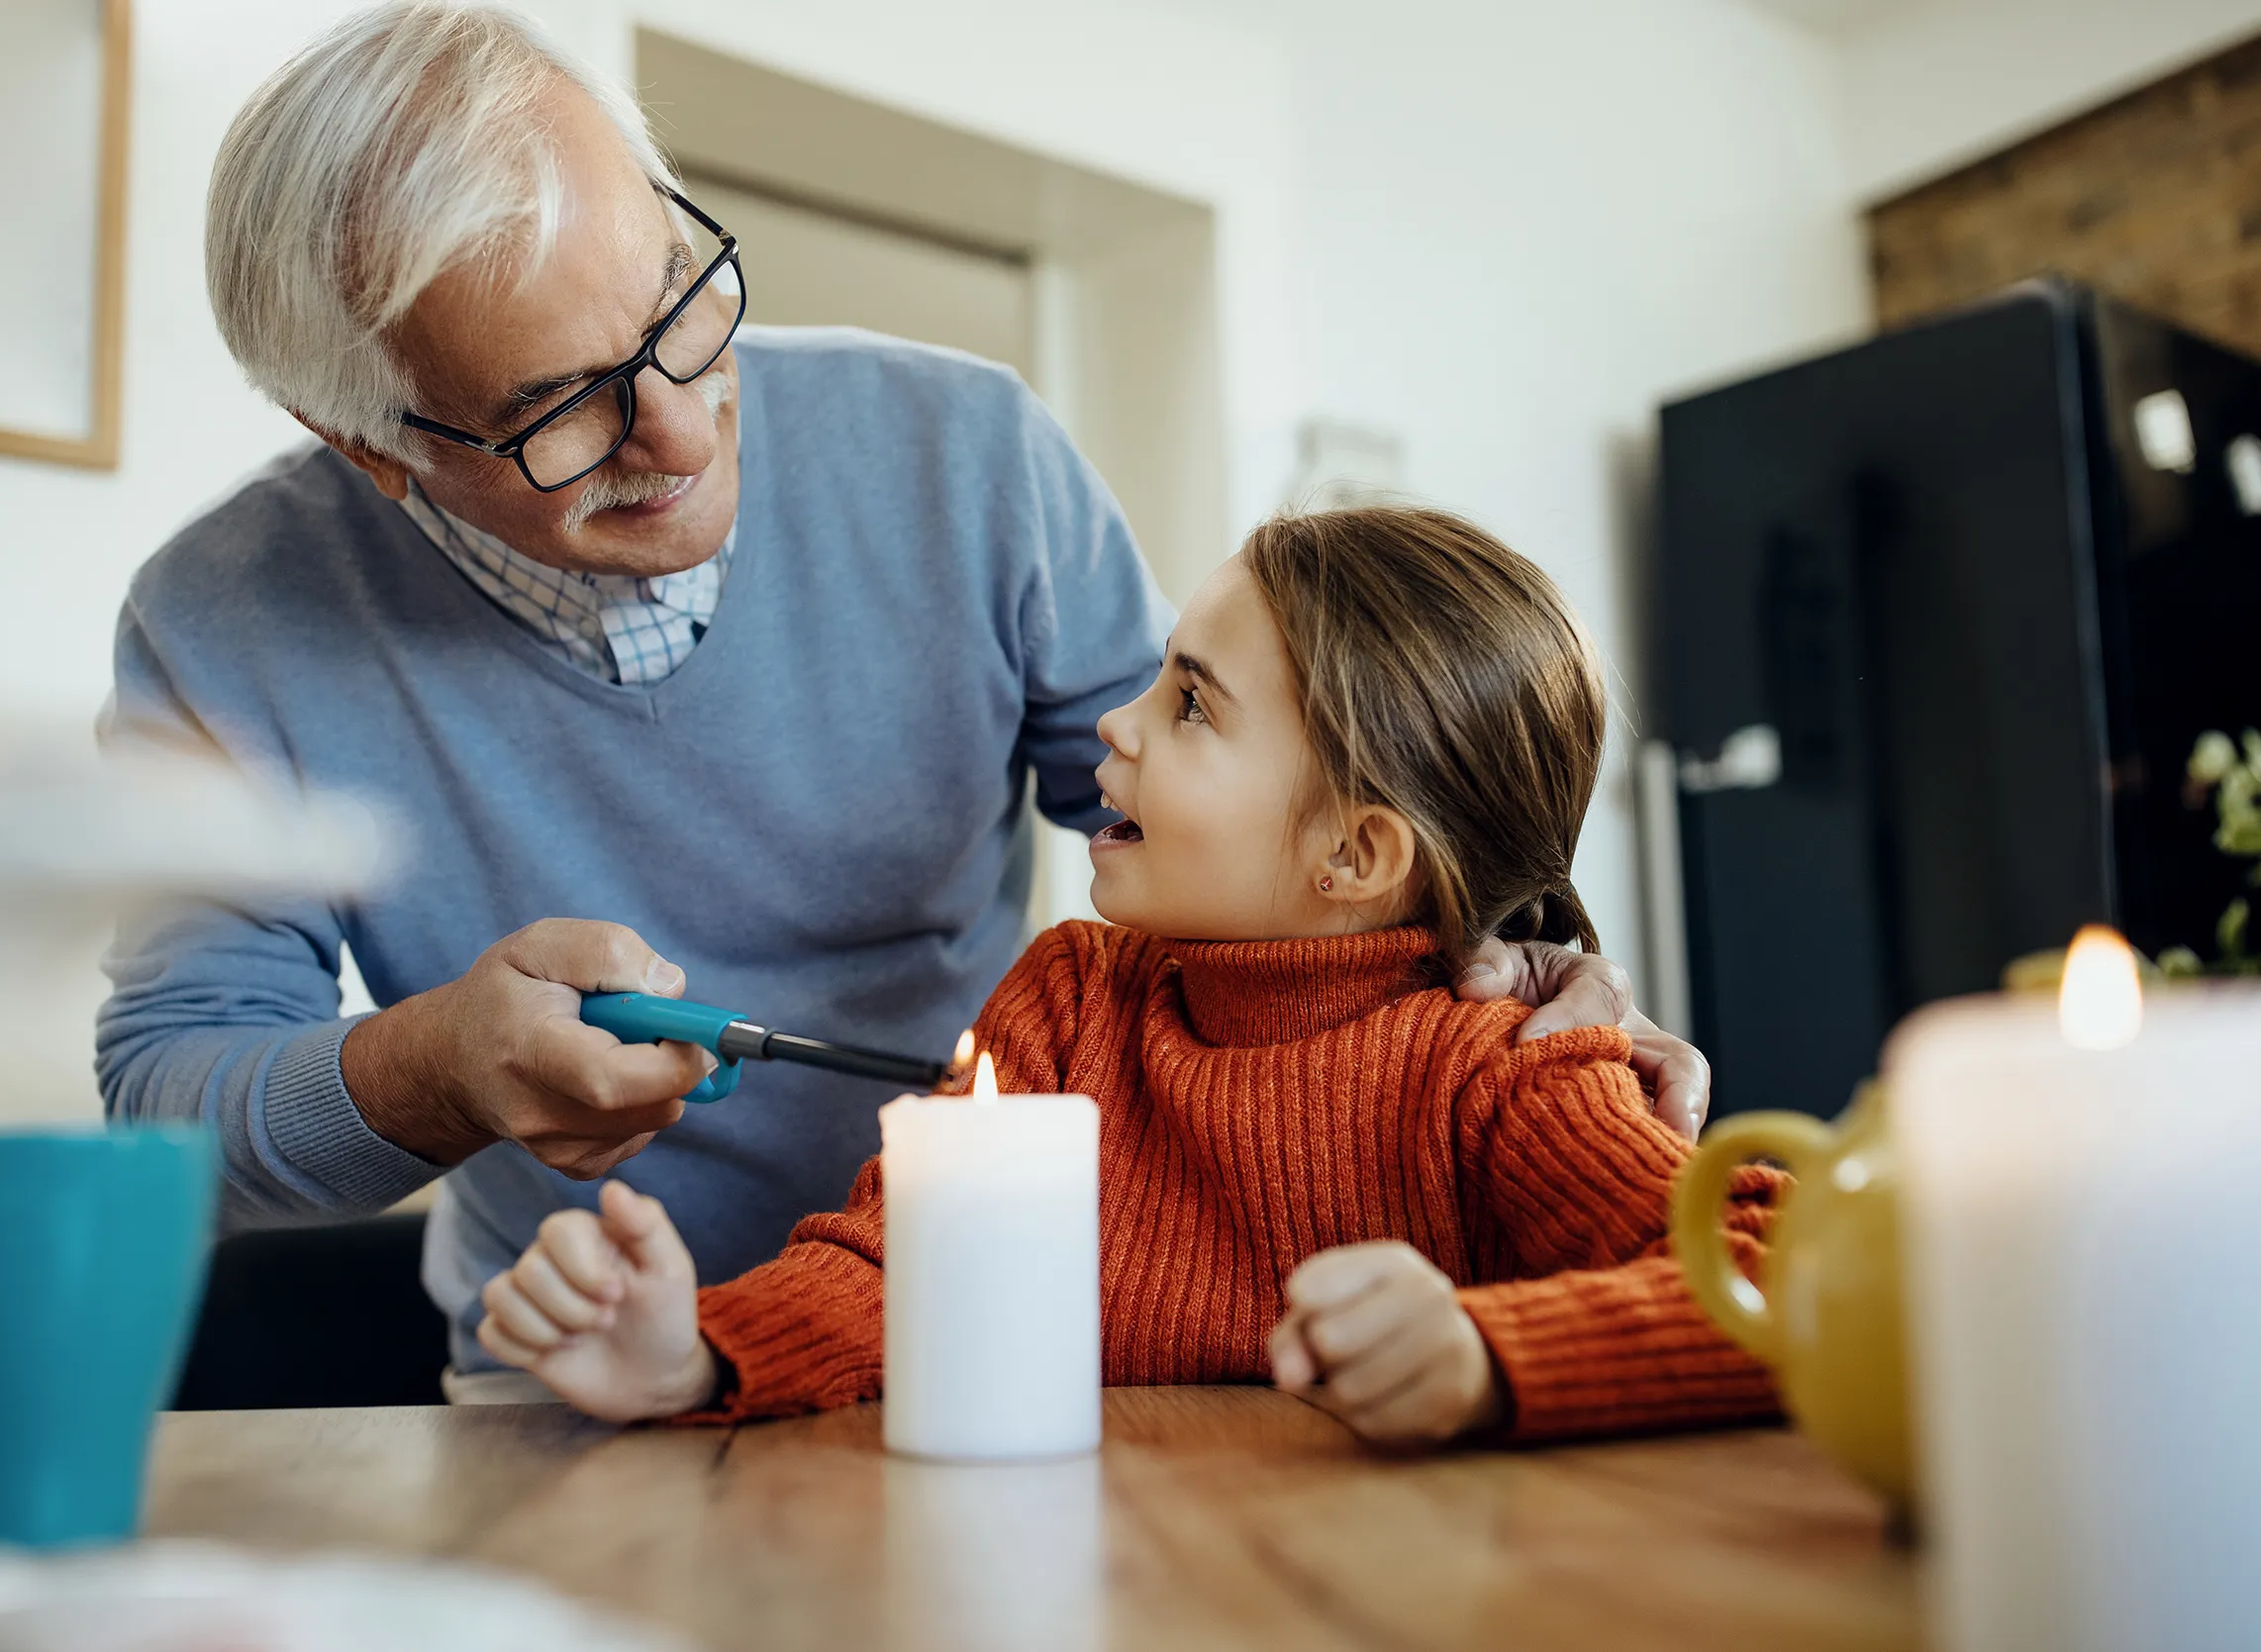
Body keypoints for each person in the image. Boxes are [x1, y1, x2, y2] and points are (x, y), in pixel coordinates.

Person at [99, 0, 1706, 1386]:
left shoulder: (977, 456)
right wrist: (436, 1065)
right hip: (576, 1373)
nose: (680, 425)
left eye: (677, 298)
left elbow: (1298, 842)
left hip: (967, 1341)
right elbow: (170, 1112)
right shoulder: (219, 628)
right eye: (560, 414)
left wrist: (1527, 964)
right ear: (376, 452)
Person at [474, 507, 1783, 1445]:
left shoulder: (1503, 1067)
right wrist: (693, 1351)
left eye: (1191, 705)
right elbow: (899, 1268)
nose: (1116, 721)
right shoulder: (1067, 998)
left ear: (1356, 852)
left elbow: (1784, 1274)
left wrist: (1490, 1363)